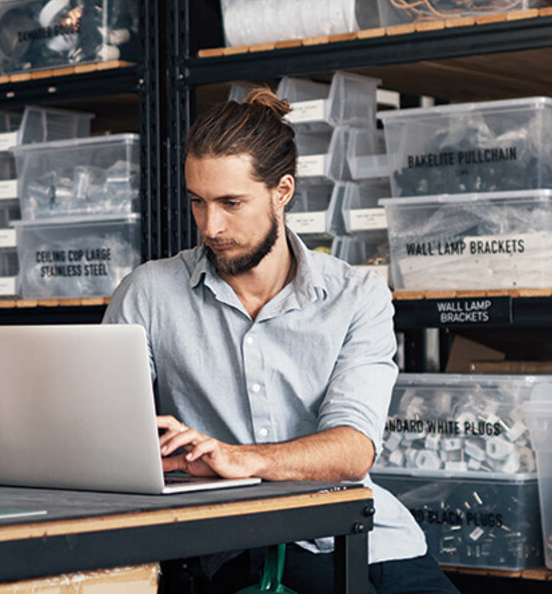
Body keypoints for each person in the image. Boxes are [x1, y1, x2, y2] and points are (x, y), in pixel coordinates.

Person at [102, 88, 457, 594]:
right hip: (248, 545)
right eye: (197, 203)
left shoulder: (357, 296)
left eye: (231, 203)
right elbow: (106, 439)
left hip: (375, 536)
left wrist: (242, 458)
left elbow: (353, 449)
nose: (211, 226)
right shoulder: (150, 294)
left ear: (282, 191)